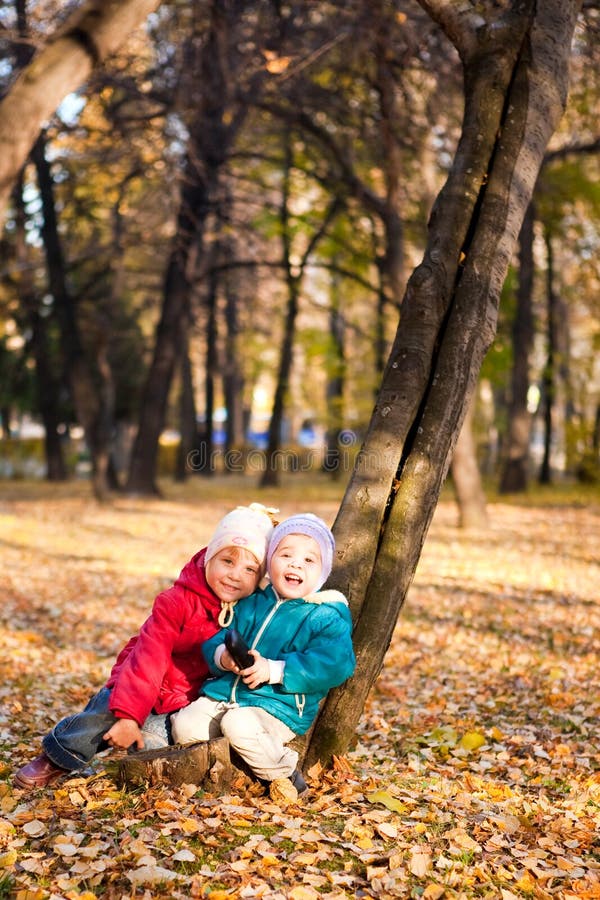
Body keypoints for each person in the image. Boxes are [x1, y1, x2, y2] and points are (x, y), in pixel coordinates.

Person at [13, 503, 276, 790]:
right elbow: (148, 660)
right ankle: (59, 756)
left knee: (153, 753)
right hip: (138, 681)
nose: (235, 574)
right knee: (102, 716)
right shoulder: (176, 602)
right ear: (208, 559)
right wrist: (128, 716)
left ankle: (133, 744)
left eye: (250, 569)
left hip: (182, 701)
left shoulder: (250, 613)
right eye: (227, 561)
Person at [170, 513, 356, 794]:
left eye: (309, 560)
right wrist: (223, 655)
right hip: (224, 695)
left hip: (276, 706)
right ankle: (228, 771)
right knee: (186, 725)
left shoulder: (325, 615)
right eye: (286, 555)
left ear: (322, 572)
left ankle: (285, 773)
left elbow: (336, 665)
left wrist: (274, 669)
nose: (296, 564)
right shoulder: (253, 602)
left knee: (238, 724)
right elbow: (219, 635)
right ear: (271, 562)